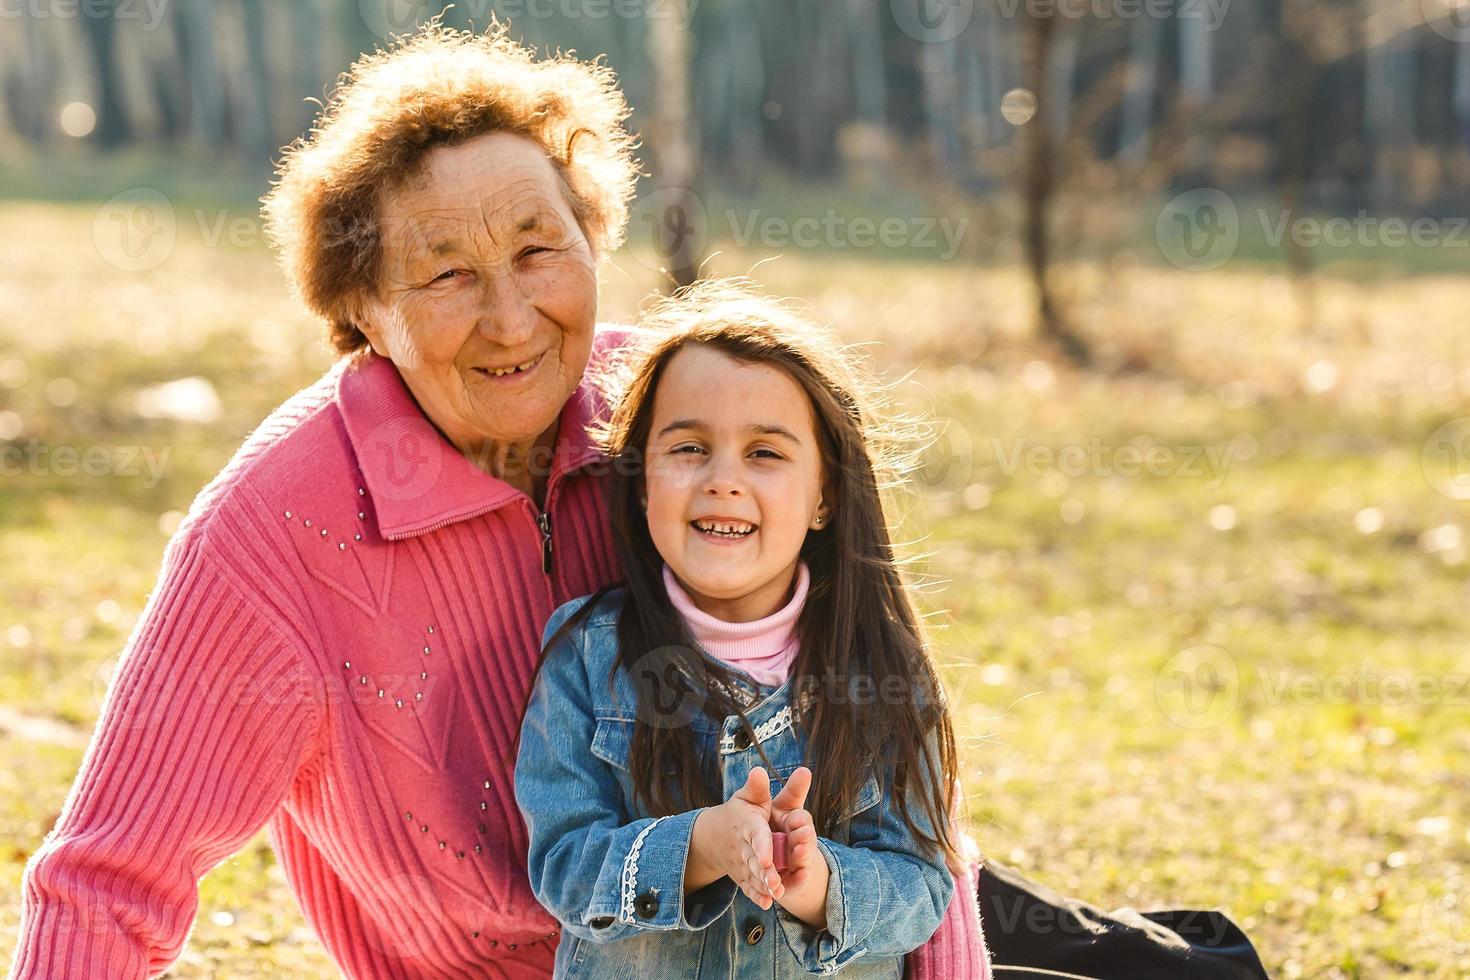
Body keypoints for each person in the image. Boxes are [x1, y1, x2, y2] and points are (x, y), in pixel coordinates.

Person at [515, 281, 993, 977]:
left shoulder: (883, 671)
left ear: (825, 494)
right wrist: (699, 845)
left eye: (765, 453)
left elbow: (922, 887)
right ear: (644, 481)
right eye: (688, 448)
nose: (723, 480)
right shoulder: (587, 655)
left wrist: (817, 883)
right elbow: (562, 866)